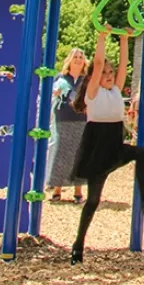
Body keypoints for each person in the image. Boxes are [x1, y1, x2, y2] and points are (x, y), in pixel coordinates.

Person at [70, 29, 144, 265]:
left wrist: (125, 40)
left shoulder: (116, 89)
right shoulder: (92, 94)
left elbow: (125, 65)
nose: (108, 75)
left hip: (114, 147)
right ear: (93, 77)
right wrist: (102, 38)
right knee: (93, 201)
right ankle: (78, 245)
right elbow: (97, 63)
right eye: (104, 72)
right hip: (97, 151)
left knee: (139, 152)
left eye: (110, 72)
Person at [45, 48, 87, 203]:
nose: (78, 59)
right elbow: (50, 94)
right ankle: (57, 189)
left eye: (81, 57)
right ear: (70, 59)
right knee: (60, 151)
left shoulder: (87, 79)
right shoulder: (60, 77)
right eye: (75, 56)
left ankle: (78, 191)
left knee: (79, 154)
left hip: (81, 118)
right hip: (62, 117)